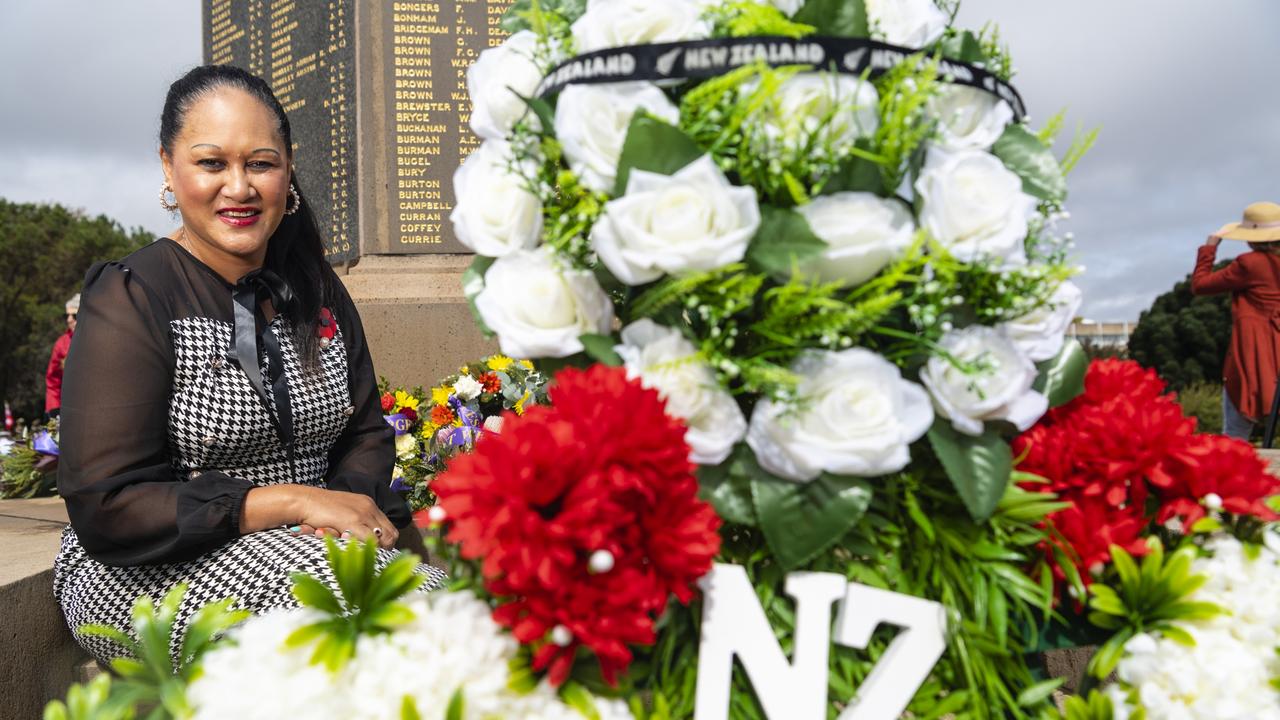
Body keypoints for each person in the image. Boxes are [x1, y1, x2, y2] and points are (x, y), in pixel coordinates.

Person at [54, 65, 443, 665]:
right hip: (153, 566)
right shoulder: (133, 295)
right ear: (168, 166)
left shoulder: (314, 286)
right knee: (374, 621)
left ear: (288, 170)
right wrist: (290, 503)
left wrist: (333, 510)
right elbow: (109, 503)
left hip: (312, 547)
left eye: (260, 163)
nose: (239, 187)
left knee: (431, 614)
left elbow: (364, 431)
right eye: (212, 163)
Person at [1190, 201, 1280, 440]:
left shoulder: (1249, 264)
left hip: (1254, 352)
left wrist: (1209, 249)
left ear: (1250, 237)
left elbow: (1200, 285)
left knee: (1235, 433)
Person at [44, 293, 79, 418]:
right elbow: (53, 381)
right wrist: (54, 409)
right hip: (69, 409)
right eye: (67, 315)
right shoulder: (61, 344)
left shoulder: (100, 340)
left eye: (74, 315)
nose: (69, 320)